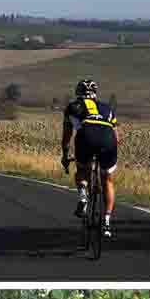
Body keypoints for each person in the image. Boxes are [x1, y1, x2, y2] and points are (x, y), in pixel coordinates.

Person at [61, 80, 119, 239]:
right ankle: (107, 219)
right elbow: (116, 137)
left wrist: (65, 156)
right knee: (107, 179)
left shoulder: (73, 107)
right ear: (95, 93)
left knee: (82, 171)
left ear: (77, 92)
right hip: (108, 140)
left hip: (86, 137)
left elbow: (67, 137)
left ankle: (83, 197)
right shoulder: (108, 108)